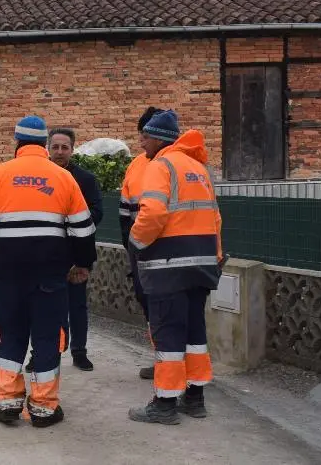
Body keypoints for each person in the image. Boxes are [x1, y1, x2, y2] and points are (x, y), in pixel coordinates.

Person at [0, 115, 97, 428]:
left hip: (6, 273)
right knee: (48, 336)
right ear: (44, 144)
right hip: (50, 274)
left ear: (17, 143)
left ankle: (8, 403)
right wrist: (82, 264)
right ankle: (44, 408)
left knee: (5, 332)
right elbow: (83, 229)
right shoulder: (63, 178)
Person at [126, 110, 226, 425]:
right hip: (202, 264)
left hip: (168, 266)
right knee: (195, 333)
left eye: (146, 138)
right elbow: (216, 218)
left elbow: (153, 213)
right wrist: (216, 258)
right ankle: (194, 398)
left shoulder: (160, 166)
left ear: (159, 139)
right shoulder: (199, 169)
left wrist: (136, 242)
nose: (143, 145)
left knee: (168, 332)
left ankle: (165, 403)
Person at [48, 128, 103, 371]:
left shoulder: (86, 179)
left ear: (72, 149)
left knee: (77, 305)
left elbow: (97, 213)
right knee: (44, 306)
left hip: (76, 252)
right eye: (55, 147)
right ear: (48, 148)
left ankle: (79, 352)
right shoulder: (40, 177)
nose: (59, 152)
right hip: (45, 252)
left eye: (64, 147)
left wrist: (70, 222)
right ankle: (44, 351)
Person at [119, 107, 164, 380]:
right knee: (148, 306)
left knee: (173, 310)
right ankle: (162, 359)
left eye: (145, 135)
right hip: (142, 253)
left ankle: (179, 367)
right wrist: (132, 249)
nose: (140, 141)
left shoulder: (178, 165)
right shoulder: (136, 165)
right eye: (141, 135)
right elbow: (125, 213)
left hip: (170, 253)